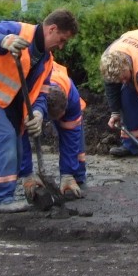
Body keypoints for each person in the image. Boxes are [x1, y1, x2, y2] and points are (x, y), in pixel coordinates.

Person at [0, 9, 79, 214]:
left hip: (6, 101)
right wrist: (2, 41)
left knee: (16, 143)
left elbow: (41, 93)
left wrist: (39, 114)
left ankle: (0, 190)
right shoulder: (16, 30)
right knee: (4, 138)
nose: (61, 46)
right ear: (52, 29)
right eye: (62, 39)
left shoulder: (46, 61)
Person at [20, 61, 86, 201]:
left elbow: (71, 135)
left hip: (61, 84)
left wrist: (67, 174)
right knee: (21, 130)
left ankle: (76, 175)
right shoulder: (26, 96)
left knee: (73, 130)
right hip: (32, 95)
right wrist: (26, 174)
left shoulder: (71, 95)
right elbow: (19, 136)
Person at [99, 28, 138, 167]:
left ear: (128, 67)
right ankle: (132, 145)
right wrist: (115, 112)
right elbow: (111, 86)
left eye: (124, 77)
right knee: (127, 94)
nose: (123, 81)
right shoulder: (109, 59)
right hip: (136, 48)